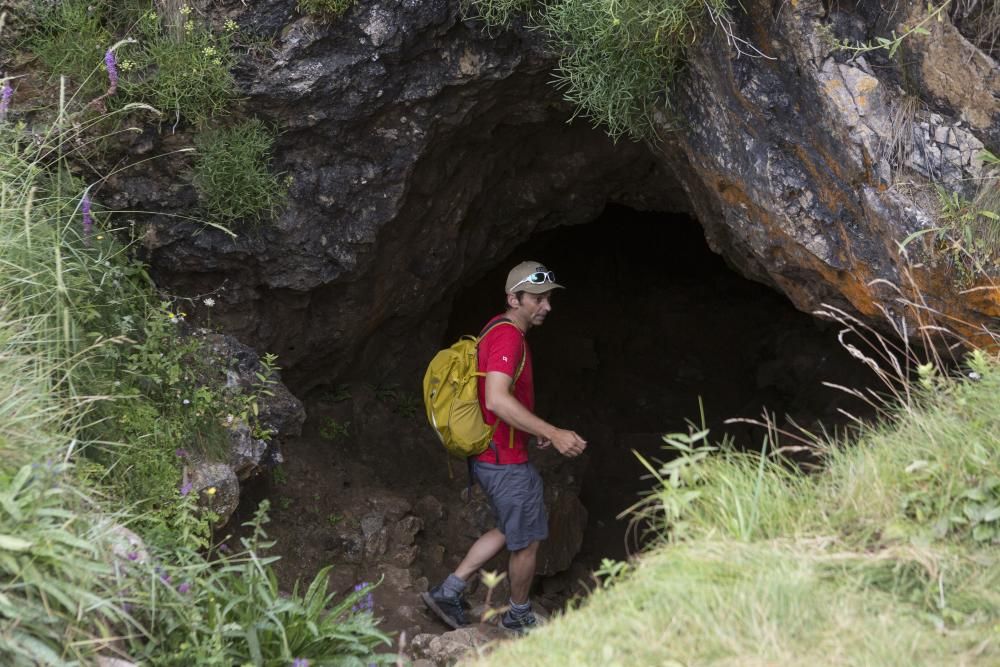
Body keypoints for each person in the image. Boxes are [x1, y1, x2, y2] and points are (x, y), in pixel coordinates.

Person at [421, 261, 588, 634]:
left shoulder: (495, 329)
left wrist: (531, 430)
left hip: (492, 453)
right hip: (504, 459)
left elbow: (494, 399)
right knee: (526, 541)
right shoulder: (510, 336)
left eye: (548, 299)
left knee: (509, 528)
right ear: (514, 298)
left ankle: (449, 591)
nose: (546, 307)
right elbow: (496, 399)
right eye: (538, 299)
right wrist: (554, 431)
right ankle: (518, 614)